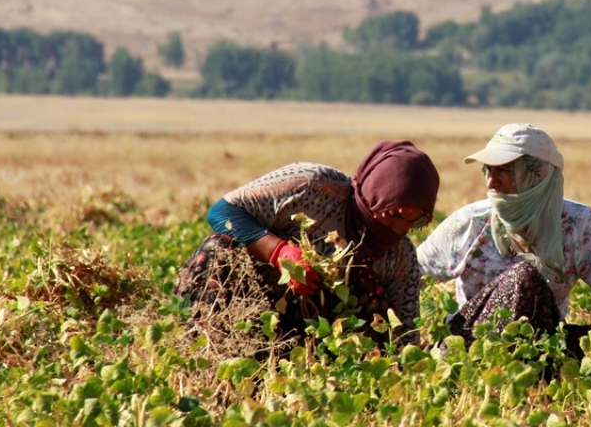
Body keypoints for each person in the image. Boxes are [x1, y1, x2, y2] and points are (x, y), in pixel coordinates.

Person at [175, 140, 439, 344]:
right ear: (375, 197)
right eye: (393, 215)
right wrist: (278, 251)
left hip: (318, 338)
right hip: (255, 305)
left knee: (373, 297)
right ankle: (196, 340)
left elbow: (406, 334)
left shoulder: (401, 257)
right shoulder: (312, 186)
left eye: (414, 222)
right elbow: (222, 212)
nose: (399, 229)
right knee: (219, 248)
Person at [417, 123, 591, 354]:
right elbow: (410, 274)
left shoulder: (578, 225)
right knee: (525, 276)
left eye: (504, 171)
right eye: (488, 170)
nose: (490, 183)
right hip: (471, 346)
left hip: (540, 345)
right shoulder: (471, 222)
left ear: (538, 176)